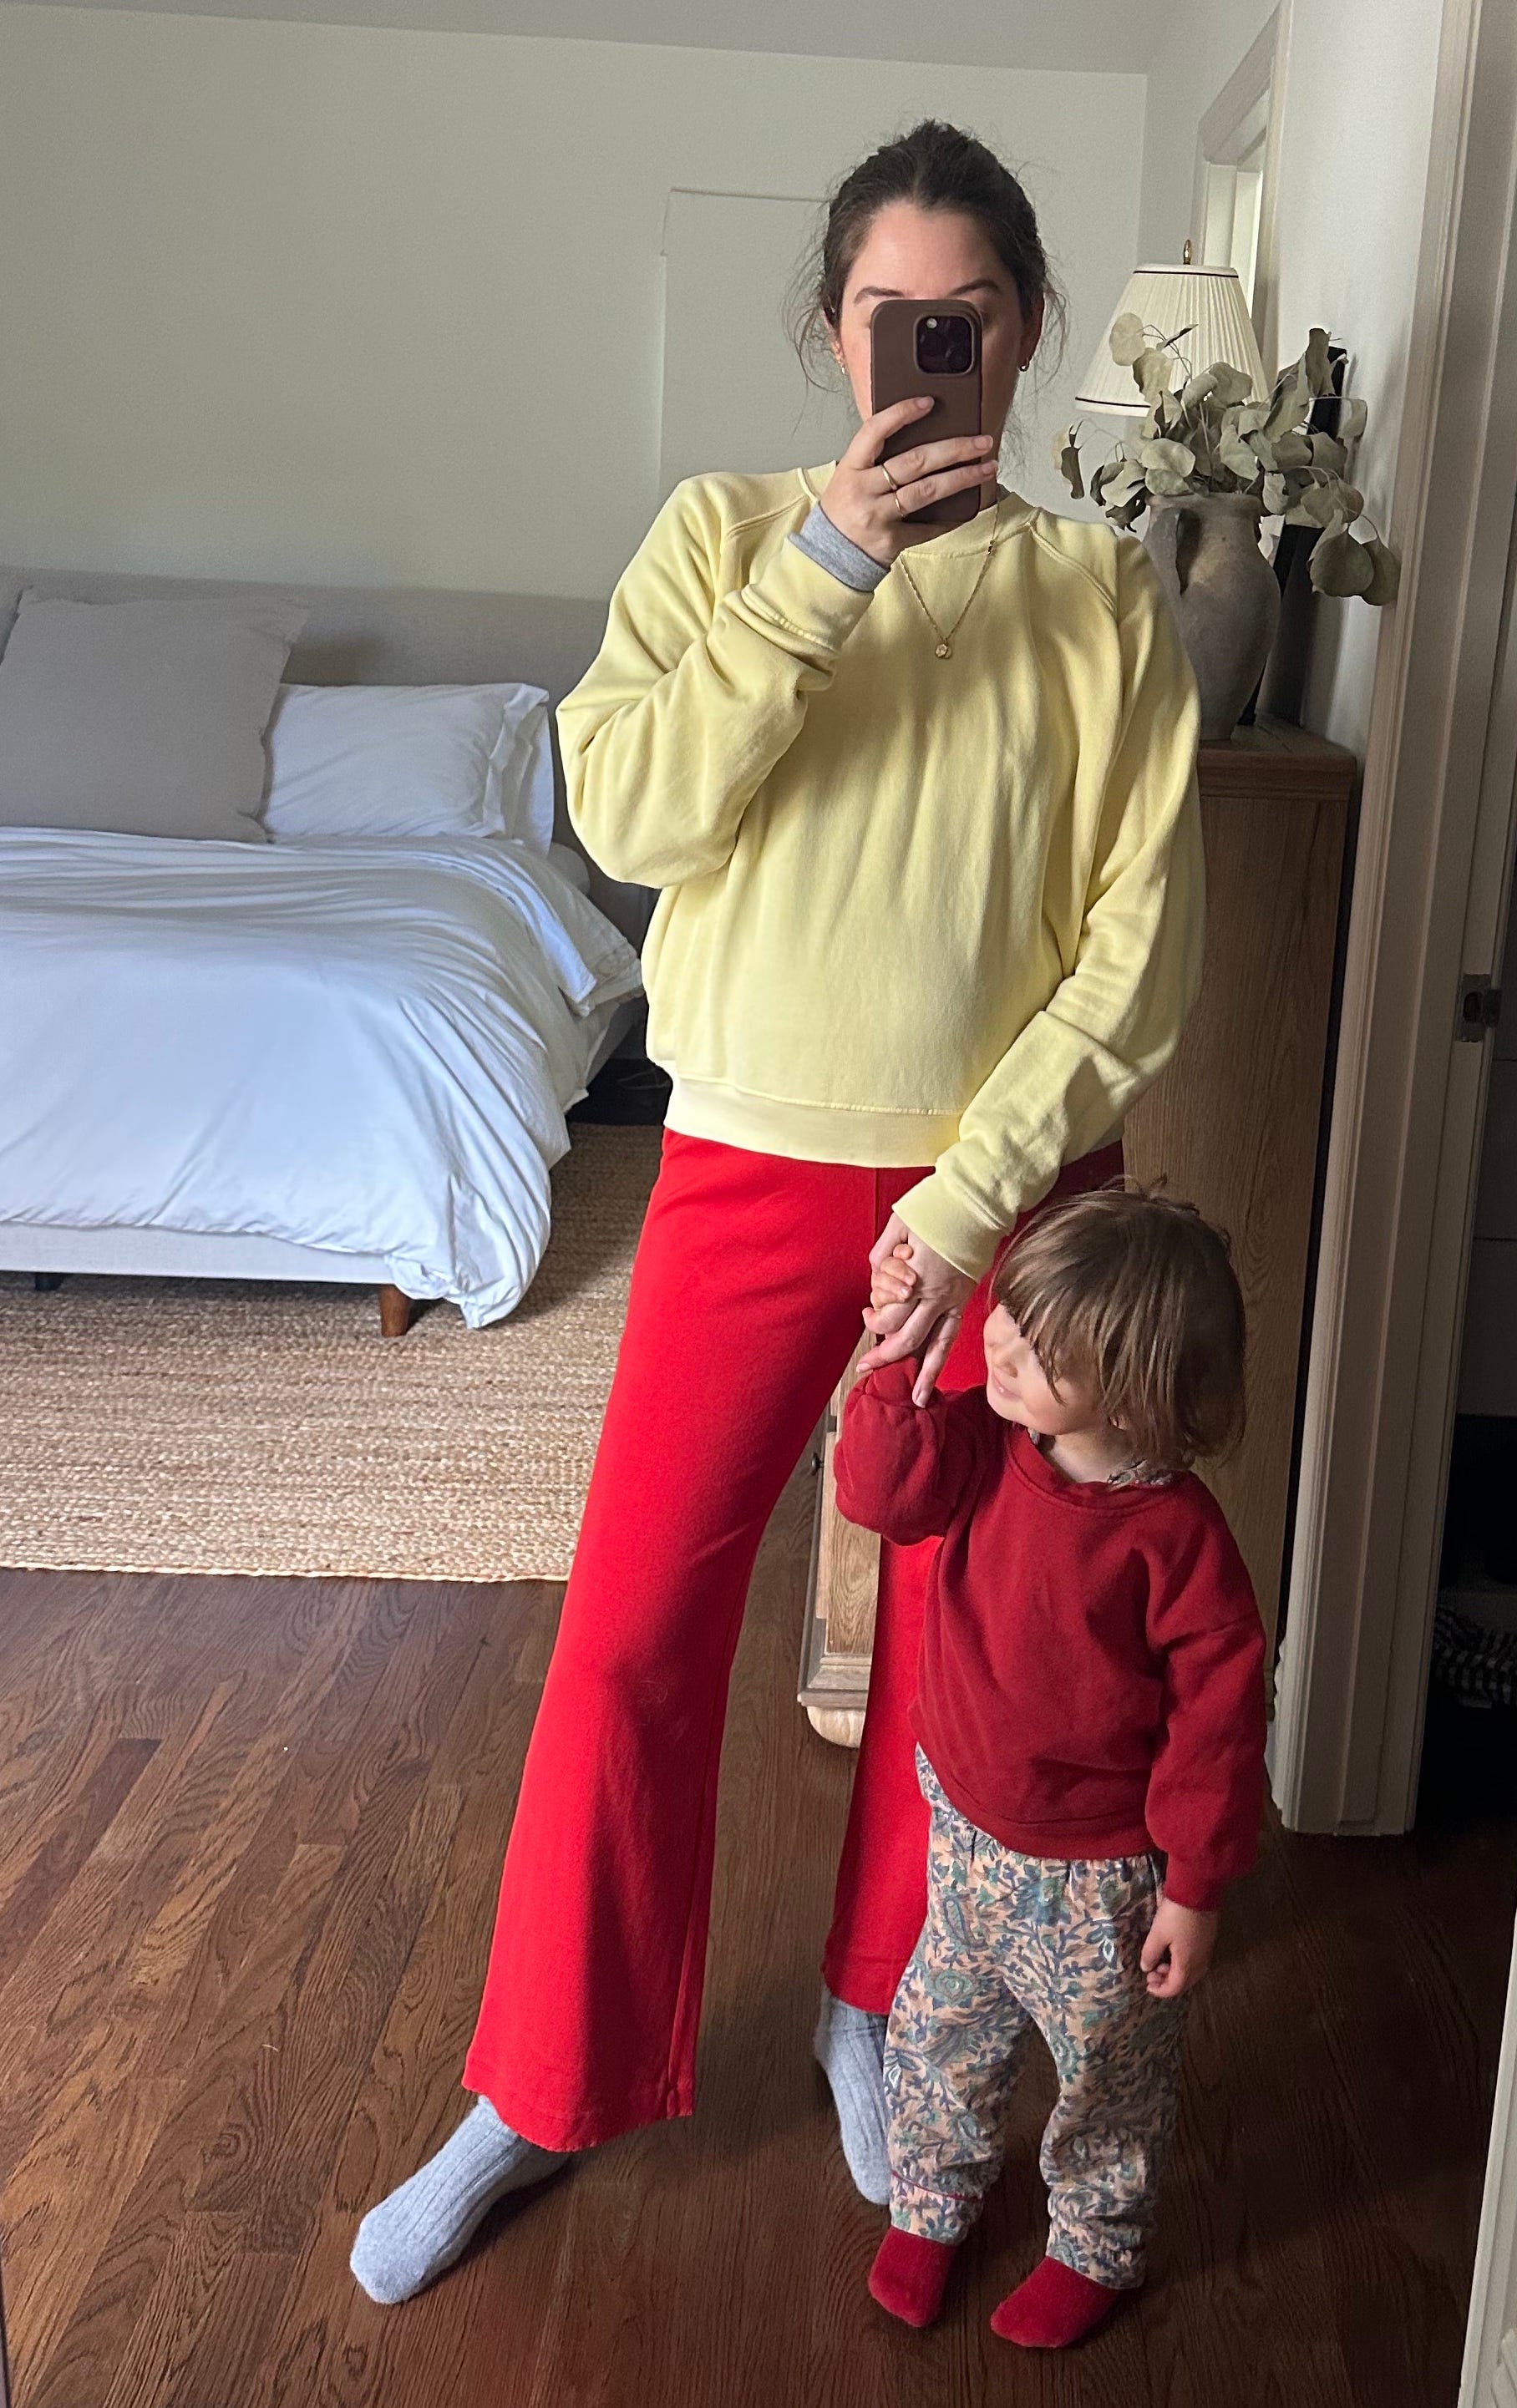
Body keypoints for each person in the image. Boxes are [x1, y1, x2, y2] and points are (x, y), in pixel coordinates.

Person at [350, 119, 1203, 2308]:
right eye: (886, 317)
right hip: (742, 1163)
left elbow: (1140, 947)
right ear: (833, 331)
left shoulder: (1099, 592)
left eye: (966, 318)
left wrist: (973, 1196)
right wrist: (823, 563)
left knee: (966, 1650)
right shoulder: (719, 537)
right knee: (635, 1625)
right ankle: (543, 2080)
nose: (925, 353)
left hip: (1004, 1200)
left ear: (1023, 326)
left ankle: (875, 2011)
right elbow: (629, 808)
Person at [840, 1189, 1266, 2349]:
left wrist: (1193, 1889)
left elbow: (1218, 1732)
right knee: (937, 2035)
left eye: (1037, 1347)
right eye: (1008, 1314)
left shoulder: (1177, 1540)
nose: (998, 1342)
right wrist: (897, 1359)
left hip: (1103, 1880)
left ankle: (1095, 2244)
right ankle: (931, 2202)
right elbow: (878, 1496)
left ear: (1129, 1391)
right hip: (965, 1833)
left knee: (1107, 2077)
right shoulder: (987, 1438)